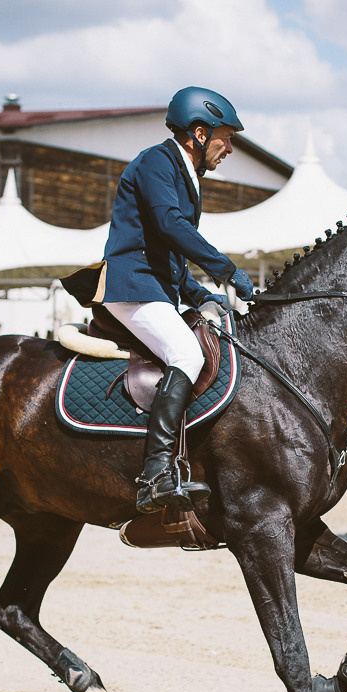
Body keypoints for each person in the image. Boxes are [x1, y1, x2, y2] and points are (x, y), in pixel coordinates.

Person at [101, 86, 255, 513]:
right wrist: (226, 270)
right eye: (227, 137)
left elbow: (168, 256)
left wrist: (202, 294)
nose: (230, 148)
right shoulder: (157, 161)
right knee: (186, 354)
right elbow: (169, 226)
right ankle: (154, 474)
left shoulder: (184, 175)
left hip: (157, 286)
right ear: (199, 133)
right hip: (132, 286)